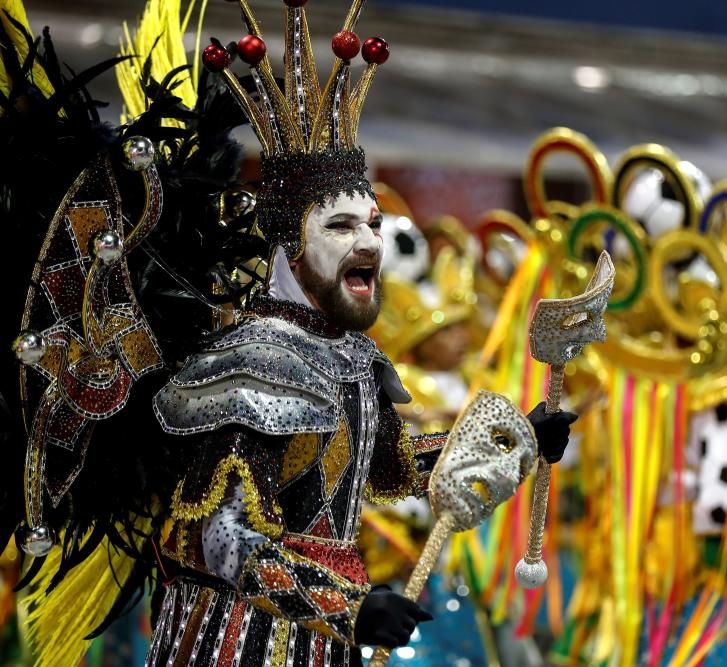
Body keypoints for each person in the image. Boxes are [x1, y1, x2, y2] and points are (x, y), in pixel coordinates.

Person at [2, 2, 579, 666]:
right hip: (234, 640)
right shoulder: (250, 362)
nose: (367, 240)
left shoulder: (353, 359)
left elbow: (389, 467)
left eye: (371, 221)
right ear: (288, 248)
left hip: (319, 641)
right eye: (340, 227)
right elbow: (226, 541)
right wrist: (349, 608)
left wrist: (520, 439)